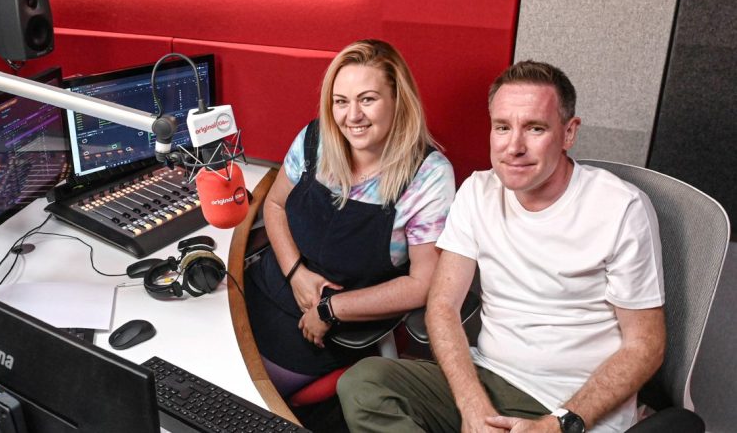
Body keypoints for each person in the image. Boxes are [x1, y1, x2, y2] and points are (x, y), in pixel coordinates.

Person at [338, 60, 666, 433]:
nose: (514, 147)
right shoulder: (478, 191)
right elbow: (443, 306)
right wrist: (472, 404)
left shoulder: (621, 208)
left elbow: (646, 345)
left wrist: (558, 424)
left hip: (570, 405)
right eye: (502, 127)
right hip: (489, 377)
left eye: (535, 128)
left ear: (569, 132)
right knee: (364, 384)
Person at [244, 39, 456, 397]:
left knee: (236, 394)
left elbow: (424, 284)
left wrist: (330, 309)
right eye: (341, 102)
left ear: (398, 101)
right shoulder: (316, 139)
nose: (352, 116)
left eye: (367, 99)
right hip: (271, 283)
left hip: (327, 327)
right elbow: (276, 206)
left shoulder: (428, 176)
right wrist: (296, 273)